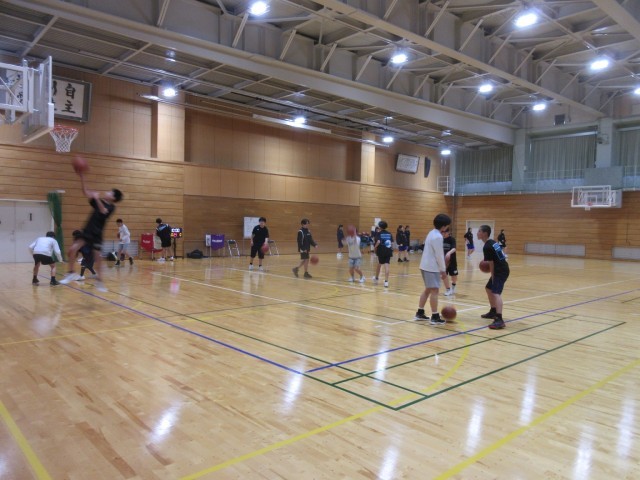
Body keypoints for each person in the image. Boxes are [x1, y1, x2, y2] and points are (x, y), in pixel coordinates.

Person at [60, 172, 123, 292]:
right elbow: (86, 193)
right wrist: (82, 177)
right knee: (72, 250)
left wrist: (96, 198)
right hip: (88, 230)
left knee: (98, 258)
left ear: (113, 198)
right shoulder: (99, 201)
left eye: (110, 192)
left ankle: (99, 281)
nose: (107, 192)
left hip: (97, 234)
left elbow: (103, 211)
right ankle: (71, 273)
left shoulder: (111, 207)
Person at [414, 213, 451, 325]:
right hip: (431, 267)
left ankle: (420, 312)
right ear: (443, 226)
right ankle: (435, 316)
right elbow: (439, 255)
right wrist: (443, 270)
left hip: (425, 265)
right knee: (435, 291)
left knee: (428, 289)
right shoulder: (438, 237)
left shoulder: (431, 232)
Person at [477, 225, 510, 330]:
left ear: (485, 233)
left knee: (495, 292)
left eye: (479, 231)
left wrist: (493, 276)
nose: (477, 233)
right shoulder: (492, 242)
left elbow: (491, 264)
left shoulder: (487, 246)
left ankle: (499, 319)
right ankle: (493, 311)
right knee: (488, 288)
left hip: (500, 271)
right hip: (502, 268)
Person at [373, 220, 393, 288]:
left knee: (379, 264)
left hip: (381, 251)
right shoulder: (389, 233)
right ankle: (386, 282)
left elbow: (378, 242)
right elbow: (391, 243)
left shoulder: (379, 233)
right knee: (387, 265)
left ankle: (376, 277)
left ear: (380, 227)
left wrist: (375, 248)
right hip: (388, 250)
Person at [442, 229, 458, 296]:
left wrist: (449, 253)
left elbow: (454, 248)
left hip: (452, 261)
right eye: (442, 232)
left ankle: (453, 287)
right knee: (444, 275)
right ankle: (448, 289)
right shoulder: (441, 240)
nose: (443, 233)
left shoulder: (452, 239)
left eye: (445, 232)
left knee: (453, 275)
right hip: (444, 261)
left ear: (448, 232)